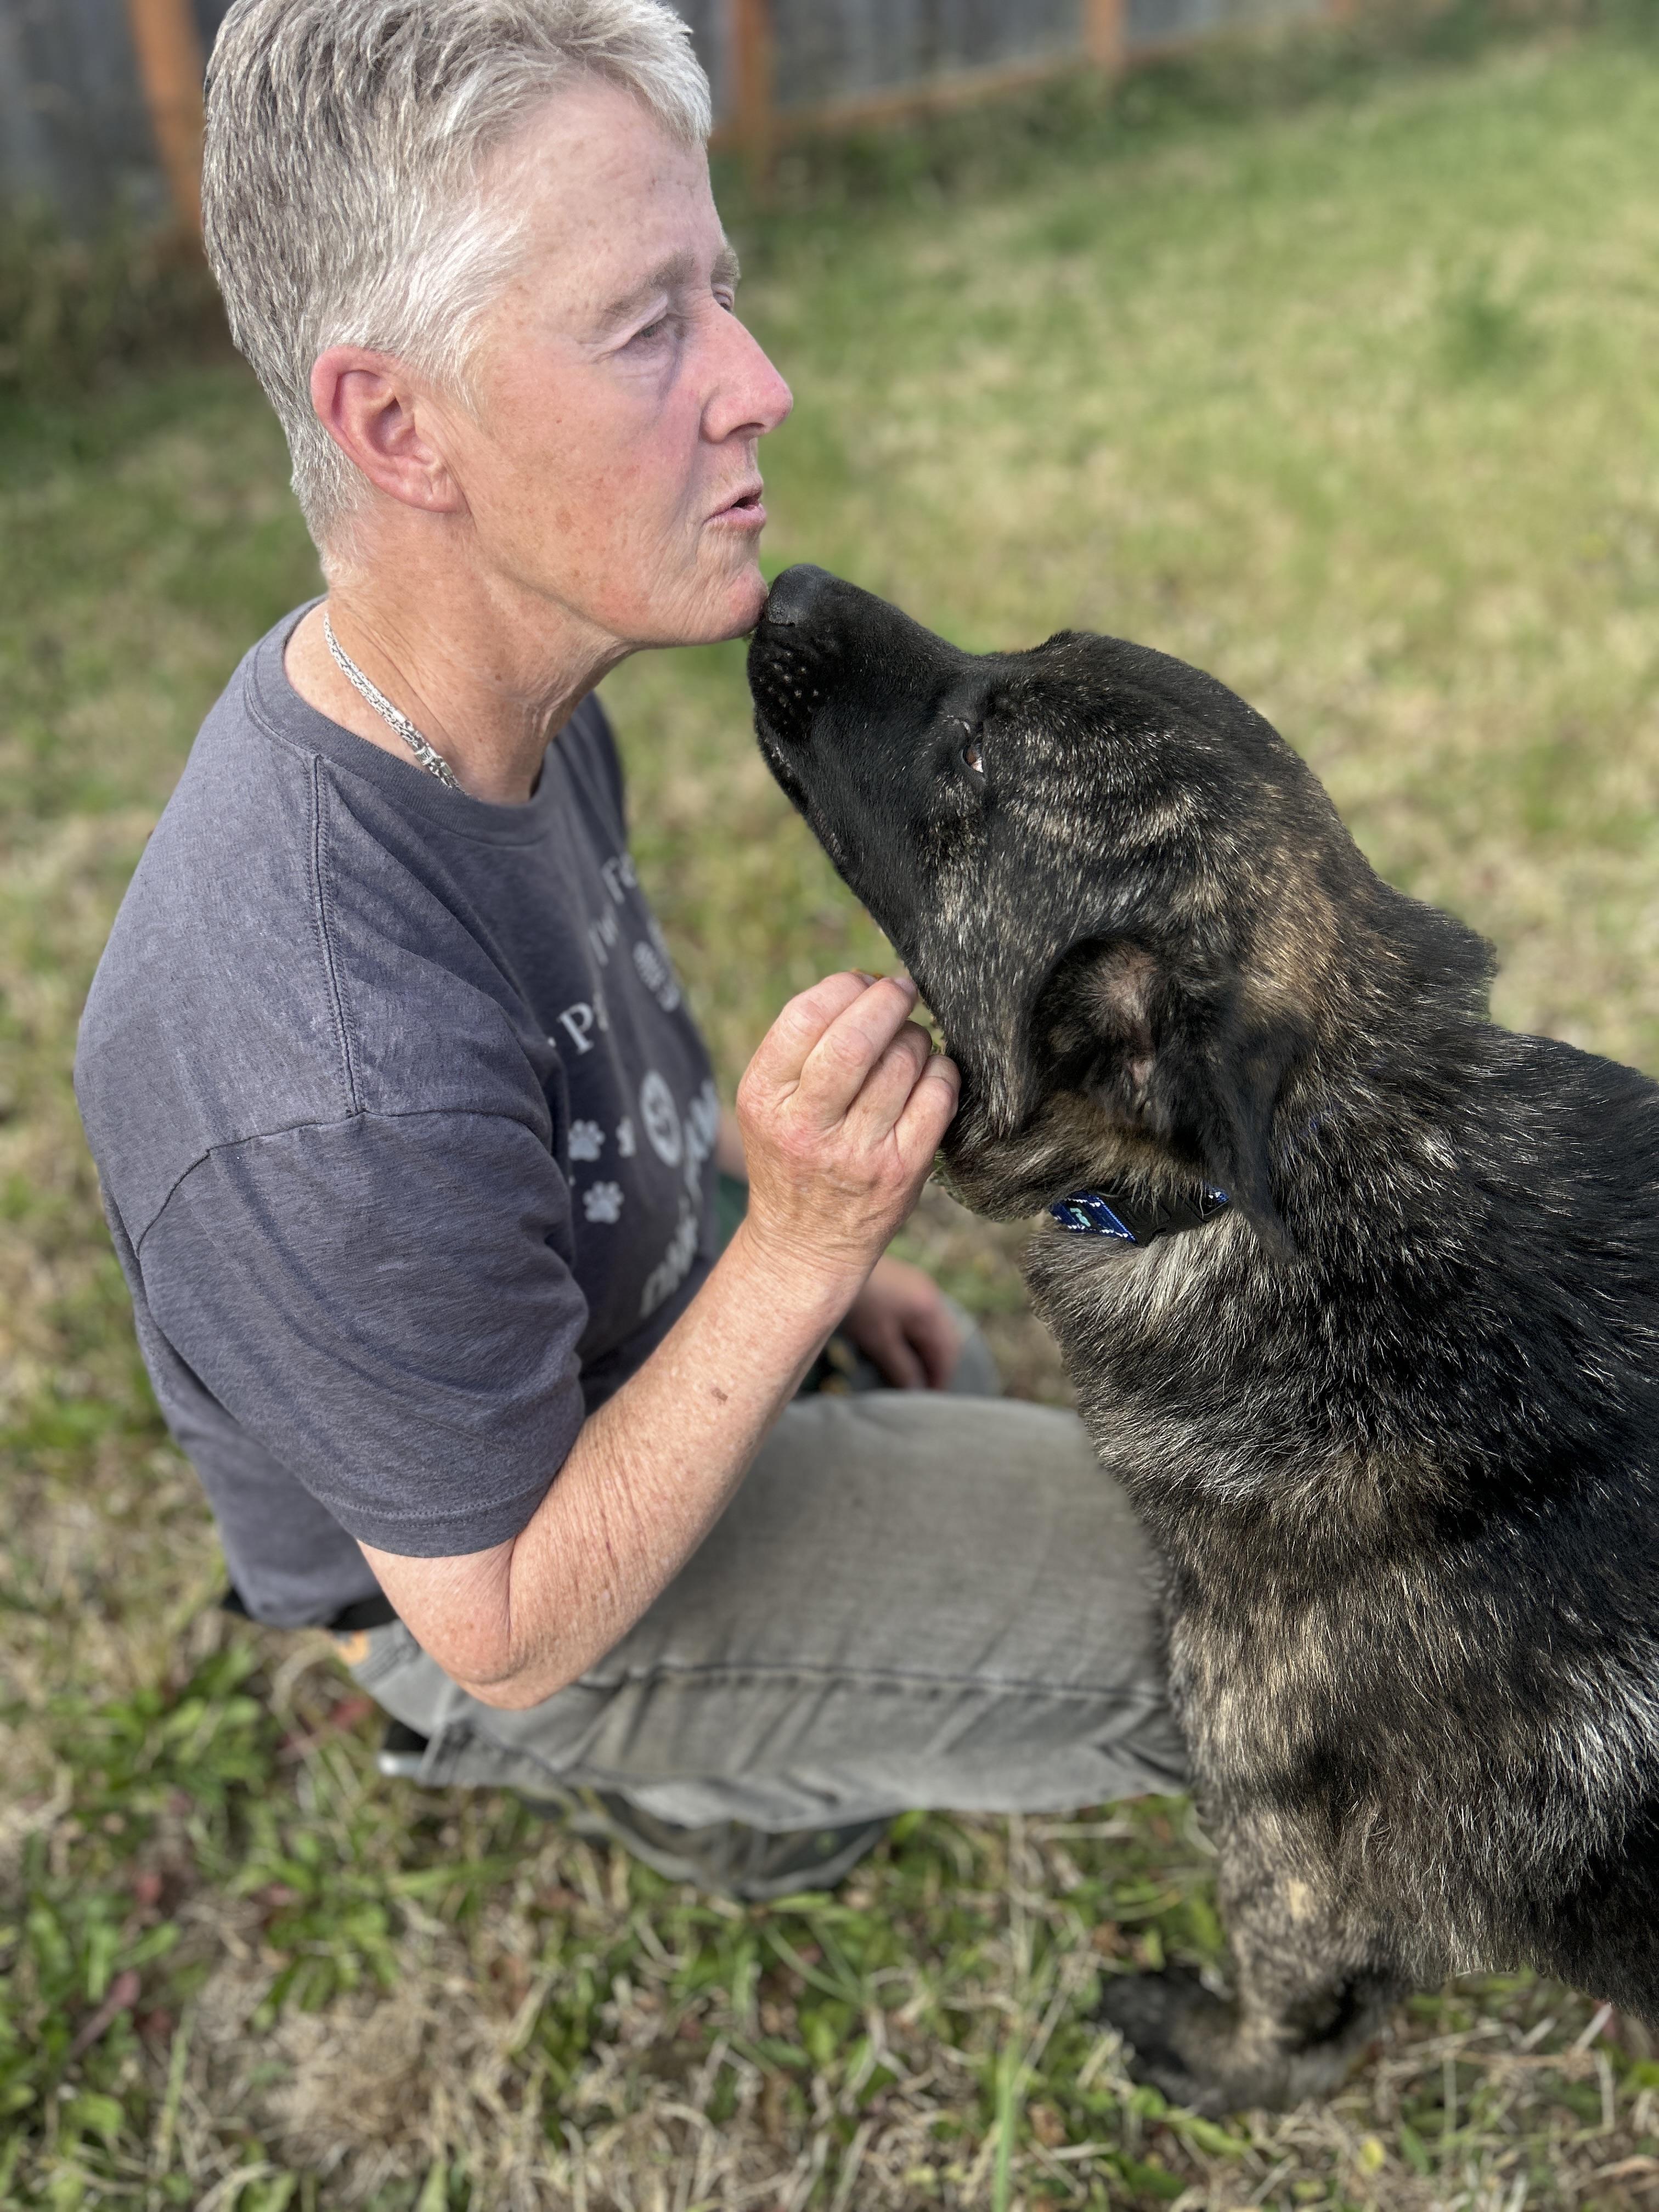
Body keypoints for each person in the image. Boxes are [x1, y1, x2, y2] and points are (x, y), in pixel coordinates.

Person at [75, 0, 1185, 1900]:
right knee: (1244, 1627)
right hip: (501, 1604)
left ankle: (784, 1678)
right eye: (647, 325)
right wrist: (803, 1244)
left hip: (629, 1366)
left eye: (720, 294)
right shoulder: (315, 1062)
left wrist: (797, 1297)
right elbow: (502, 1612)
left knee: (981, 1378)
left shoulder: (503, 683)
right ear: (396, 425)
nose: (756, 382)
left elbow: (603, 1076)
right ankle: (670, 1774)